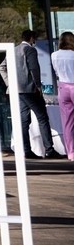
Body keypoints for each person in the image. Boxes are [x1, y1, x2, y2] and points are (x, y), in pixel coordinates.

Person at [0, 29, 61, 159]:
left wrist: (10, 83)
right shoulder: (30, 50)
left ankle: (26, 150)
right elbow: (34, 69)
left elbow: (1, 67)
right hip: (29, 90)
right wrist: (38, 87)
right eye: (34, 39)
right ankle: (49, 149)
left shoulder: (14, 50)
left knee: (24, 121)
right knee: (42, 118)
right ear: (32, 38)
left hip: (17, 91)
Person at [51, 31, 74, 161]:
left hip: (63, 87)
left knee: (67, 123)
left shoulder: (54, 55)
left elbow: (56, 71)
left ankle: (71, 153)